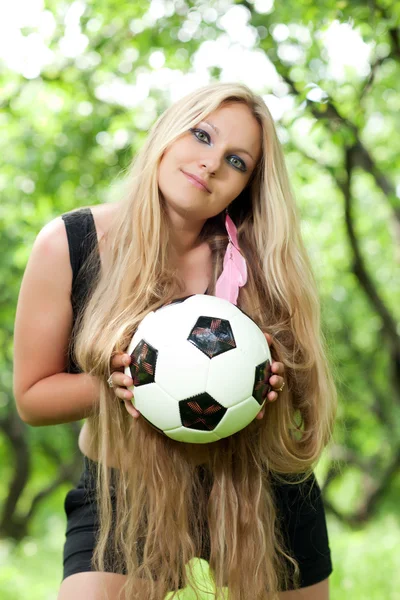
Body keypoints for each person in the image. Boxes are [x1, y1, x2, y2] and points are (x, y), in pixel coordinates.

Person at [13, 82, 337, 600]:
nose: (210, 164)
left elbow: (302, 390)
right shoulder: (70, 244)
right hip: (128, 484)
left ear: (246, 187)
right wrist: (135, 383)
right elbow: (31, 398)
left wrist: (271, 383)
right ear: (166, 133)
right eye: (201, 135)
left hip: (255, 482)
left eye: (236, 160)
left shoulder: (262, 259)